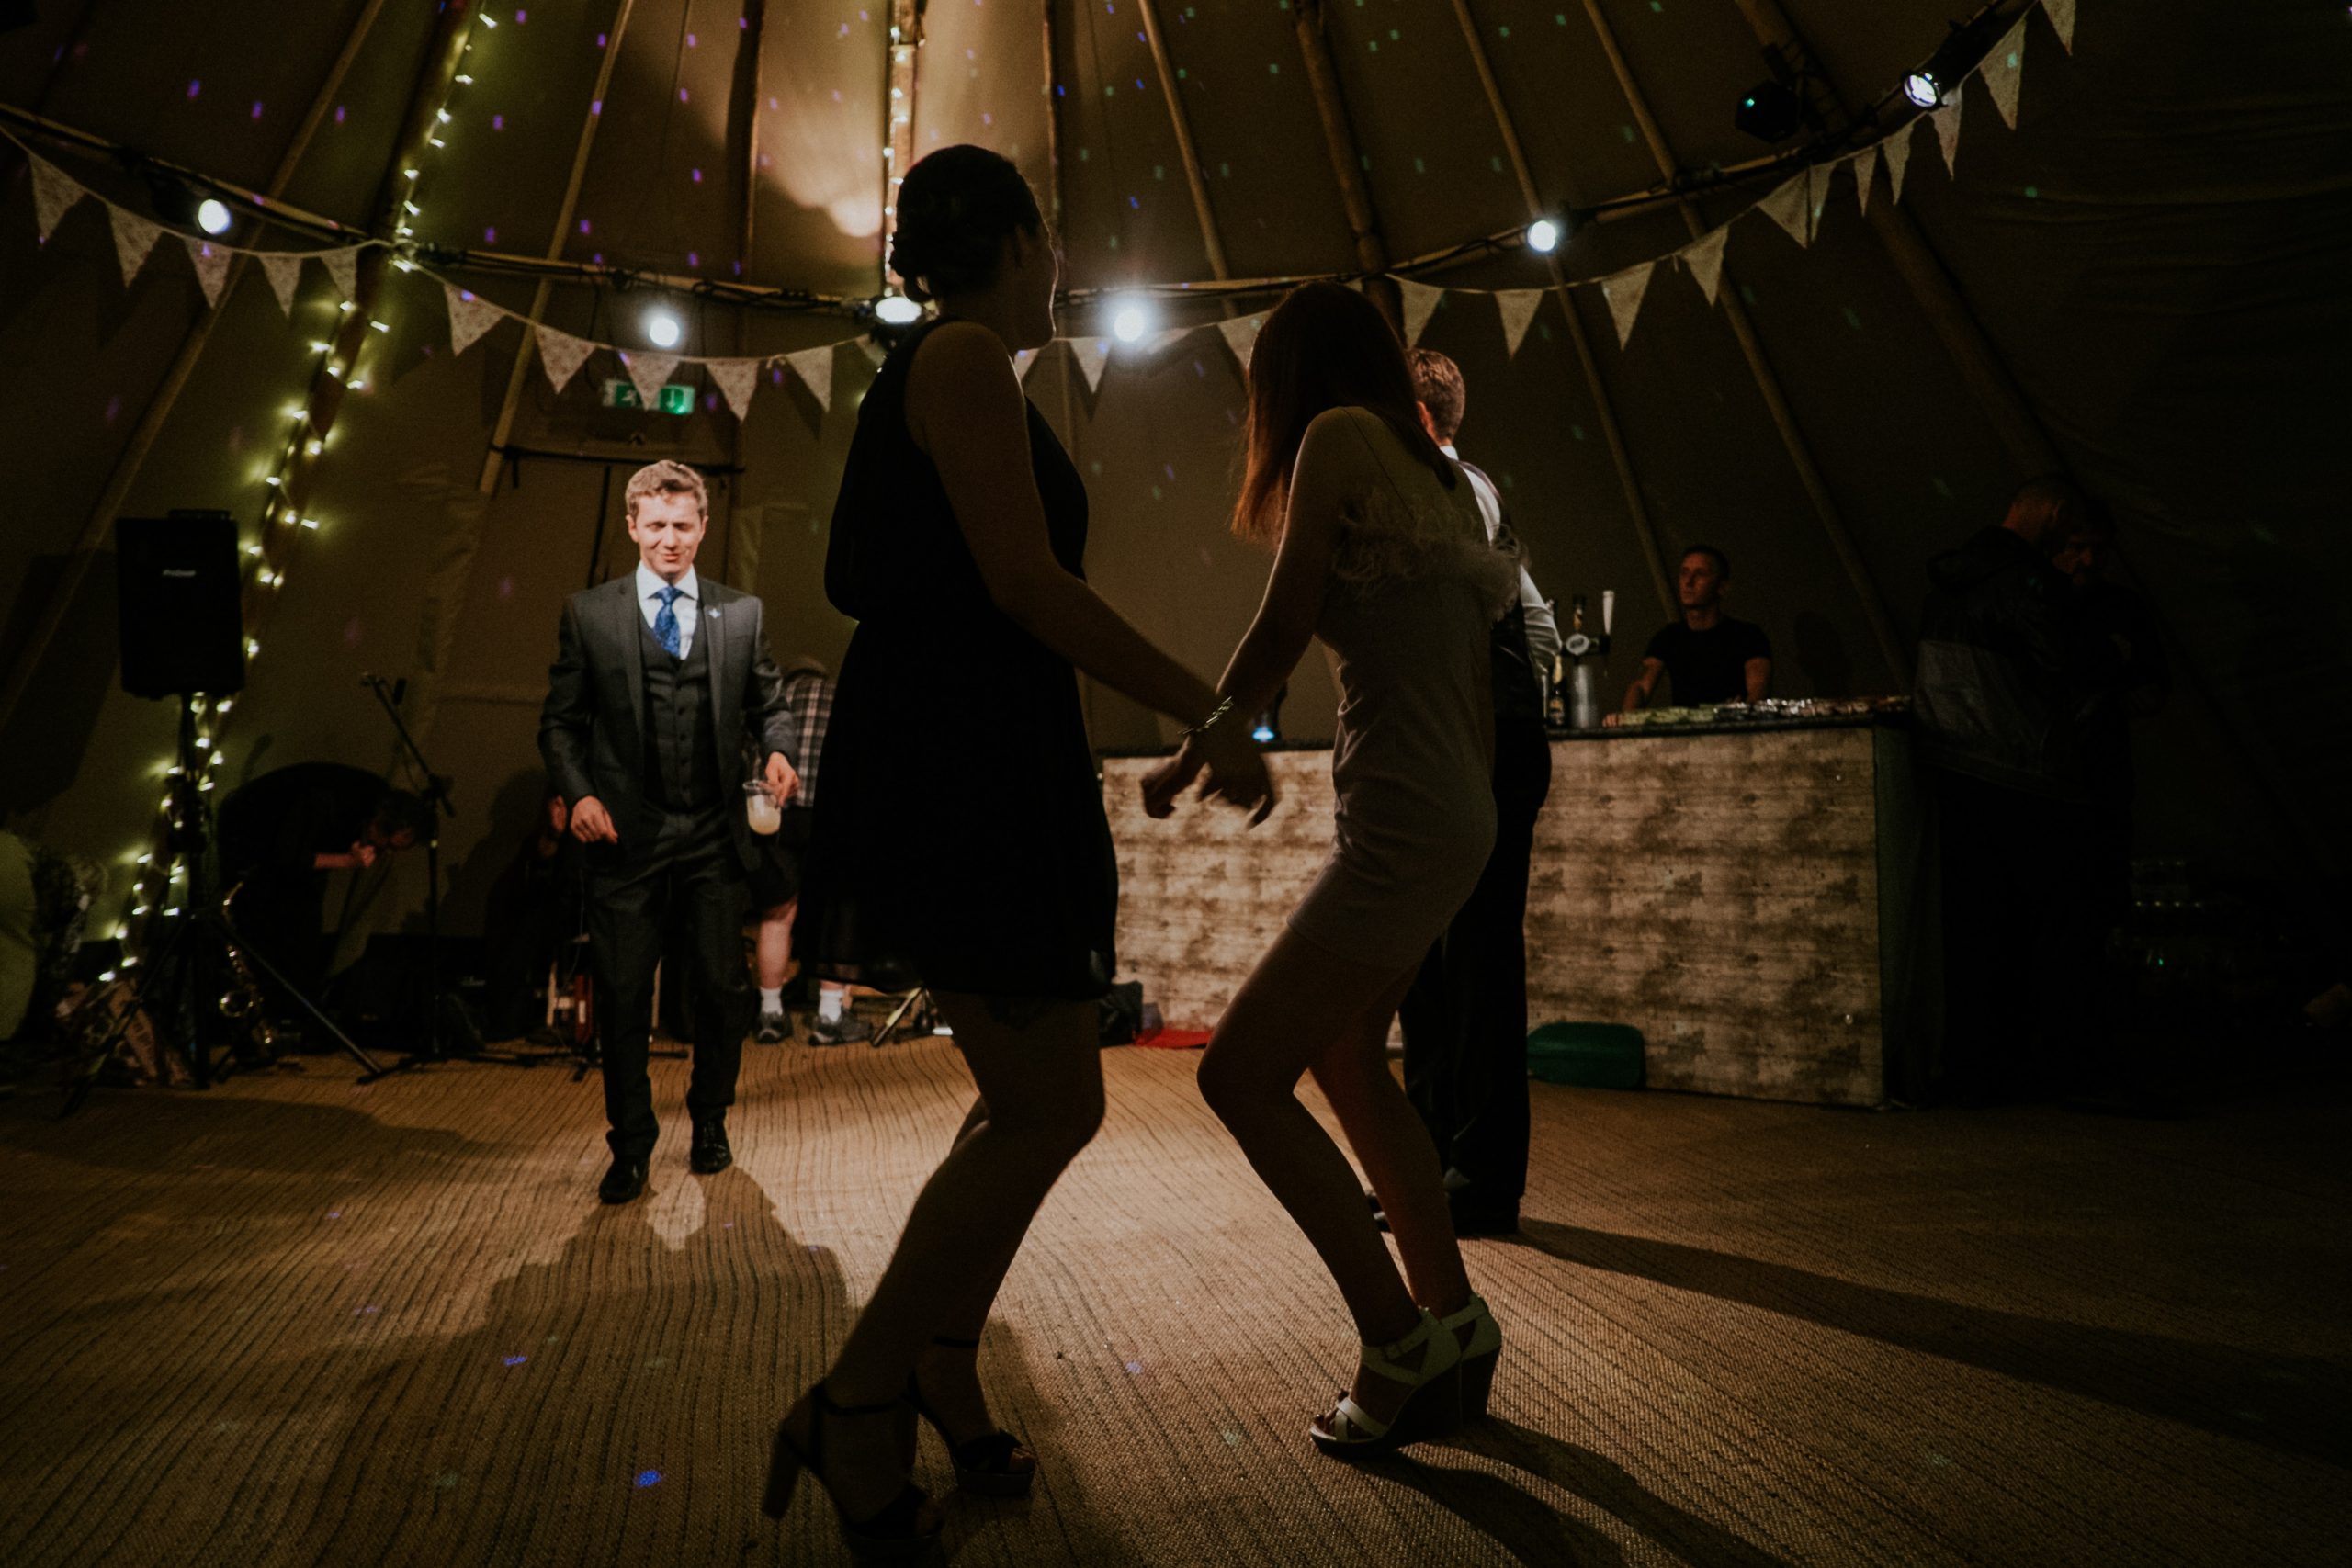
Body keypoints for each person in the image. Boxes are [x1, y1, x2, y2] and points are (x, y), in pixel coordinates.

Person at [763, 146, 1270, 1557]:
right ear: (1010, 237)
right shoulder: (970, 352)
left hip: (967, 753)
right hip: (962, 769)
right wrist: (1209, 703)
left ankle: (934, 1356)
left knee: (1028, 1092)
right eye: (1051, 237)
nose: (1065, 267)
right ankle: (859, 1396)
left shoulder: (955, 361)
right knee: (1051, 1101)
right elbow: (1028, 582)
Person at [1144, 282, 1517, 1461]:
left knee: (1239, 1077)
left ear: (1287, 377)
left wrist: (1200, 742)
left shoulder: (1336, 438)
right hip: (1455, 812)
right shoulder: (1439, 471)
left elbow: (1283, 620)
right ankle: (1455, 1319)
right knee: (1350, 1055)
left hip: (1406, 822)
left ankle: (1394, 1339)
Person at [537, 460, 801, 1205]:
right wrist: (579, 793)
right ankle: (631, 1144)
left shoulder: (740, 613)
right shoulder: (589, 614)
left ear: (704, 527)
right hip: (627, 834)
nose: (670, 539)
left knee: (720, 990)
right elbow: (559, 725)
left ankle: (710, 1119)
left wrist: (779, 749)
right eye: (656, 524)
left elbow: (770, 708)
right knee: (623, 995)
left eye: (683, 524)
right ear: (632, 527)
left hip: (715, 832)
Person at [1389, 347, 1555, 1236]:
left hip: (1486, 735)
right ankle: (1430, 1160)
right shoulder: (1442, 492)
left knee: (1479, 959)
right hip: (1463, 733)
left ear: (1417, 419)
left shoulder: (1457, 489)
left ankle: (1479, 1179)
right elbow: (1531, 627)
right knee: (1431, 964)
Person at [1914, 474, 2122, 1102]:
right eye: (2072, 532)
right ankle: (2062, 1071)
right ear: (2055, 514)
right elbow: (2078, 671)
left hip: (1952, 771)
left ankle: (1979, 1068)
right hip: (2025, 777)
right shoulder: (2031, 585)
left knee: (1973, 933)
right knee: (2052, 934)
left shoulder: (1945, 584)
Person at [215, 762, 432, 1030]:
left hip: (296, 845)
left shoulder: (371, 802)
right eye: (383, 845)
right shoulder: (325, 801)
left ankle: (294, 1013)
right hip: (251, 829)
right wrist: (345, 861)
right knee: (260, 919)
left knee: (304, 925)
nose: (381, 851)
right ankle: (253, 1017)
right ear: (380, 823)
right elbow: (288, 857)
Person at [750, 659, 865, 1046]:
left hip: (777, 818)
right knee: (836, 913)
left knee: (778, 914)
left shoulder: (774, 703)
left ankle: (770, 1013)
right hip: (829, 815)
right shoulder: (836, 694)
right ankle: (830, 1018)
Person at [479, 791, 585, 1043]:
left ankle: (506, 1018)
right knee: (516, 921)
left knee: (526, 927)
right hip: (545, 911)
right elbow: (535, 867)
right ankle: (502, 1017)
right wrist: (554, 834)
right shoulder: (543, 836)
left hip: (582, 910)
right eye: (554, 802)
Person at [1622, 546, 1771, 709]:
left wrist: (1741, 715)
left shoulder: (1747, 636)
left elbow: (1758, 689)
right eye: (1684, 573)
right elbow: (1641, 686)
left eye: (1700, 574)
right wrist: (1626, 720)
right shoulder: (1669, 637)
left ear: (1722, 587)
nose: (1689, 581)